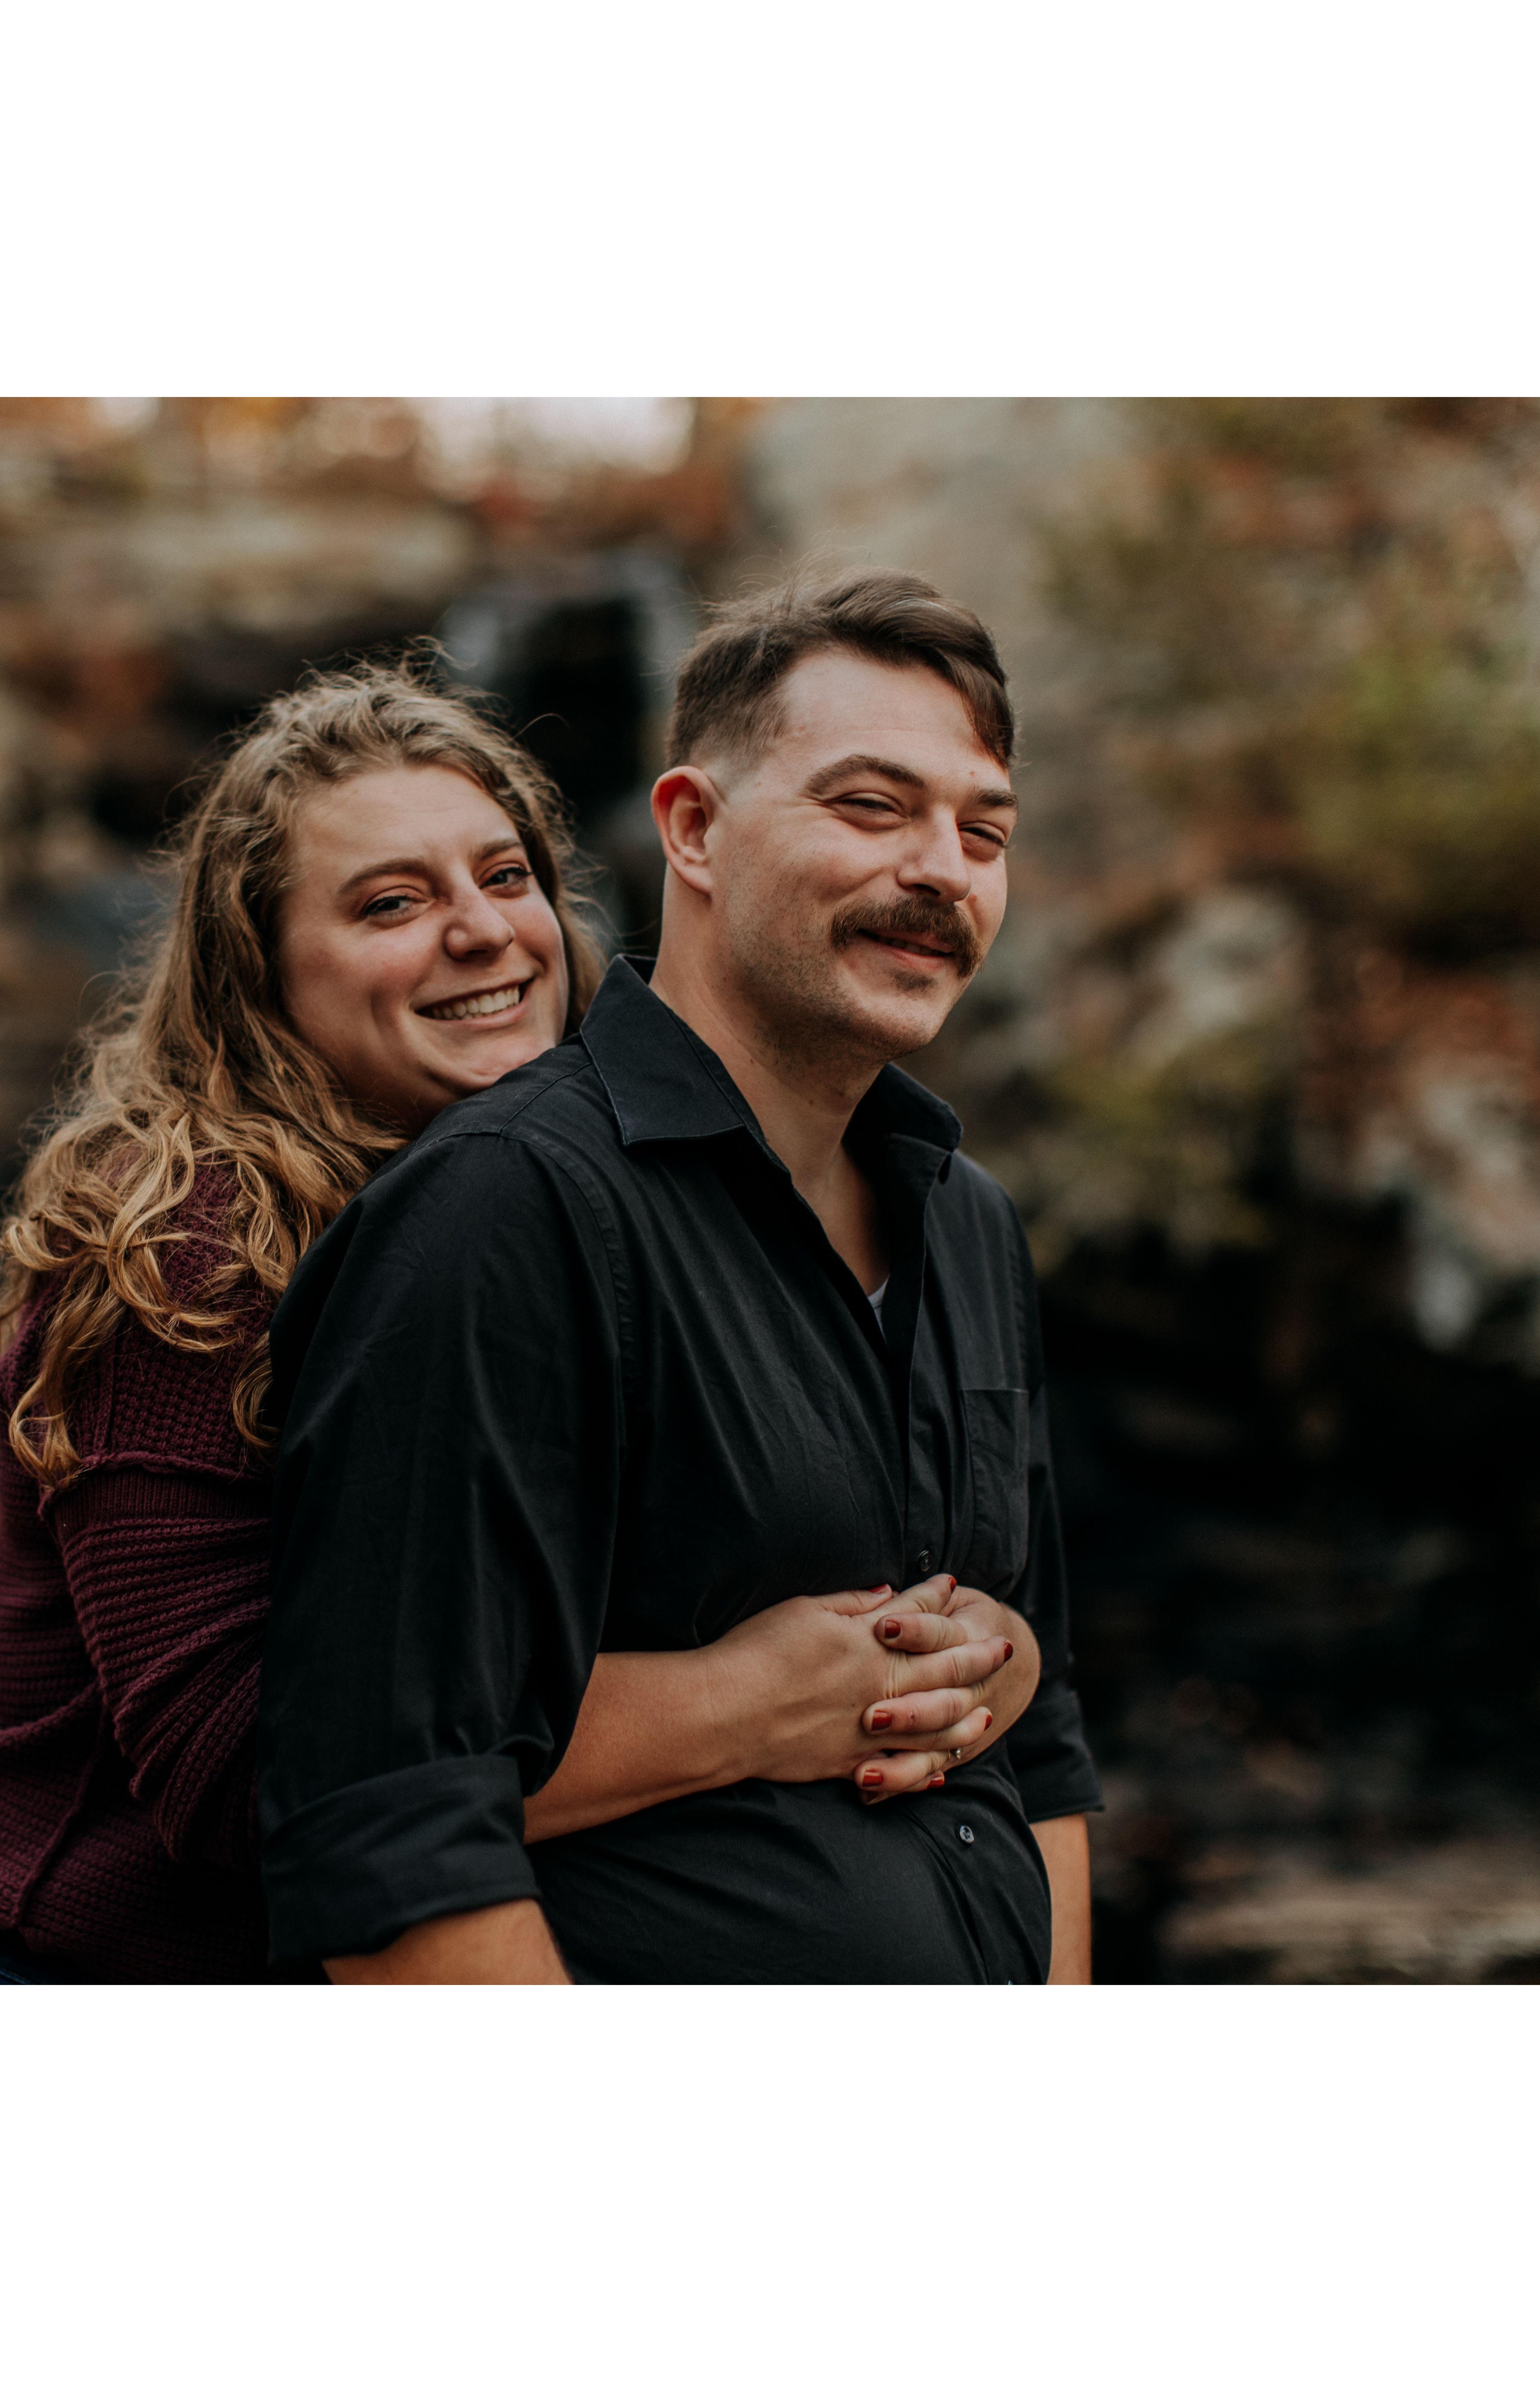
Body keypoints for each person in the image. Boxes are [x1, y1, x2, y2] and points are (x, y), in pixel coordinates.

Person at [0, 660, 1034, 1984]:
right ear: (259, 972)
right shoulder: (188, 1246)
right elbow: (253, 1773)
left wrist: (995, 1660)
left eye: (507, 877)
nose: (483, 933)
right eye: (393, 903)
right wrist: (749, 1704)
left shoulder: (622, 1194)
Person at [256, 572, 1102, 1984]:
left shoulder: (971, 1226)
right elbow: (393, 1835)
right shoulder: (506, 1209)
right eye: (872, 808)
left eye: (985, 831)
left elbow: (1046, 1737)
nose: (943, 870)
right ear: (693, 830)